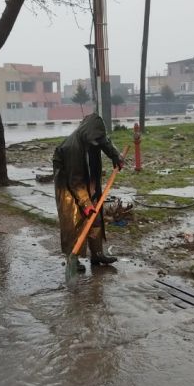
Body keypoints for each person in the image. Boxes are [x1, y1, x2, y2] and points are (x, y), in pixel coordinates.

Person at [53, 113, 124, 272]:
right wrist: (85, 203)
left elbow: (104, 142)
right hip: (67, 180)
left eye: (99, 139)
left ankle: (97, 254)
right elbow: (75, 181)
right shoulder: (72, 147)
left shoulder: (95, 137)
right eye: (96, 140)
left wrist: (115, 156)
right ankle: (73, 257)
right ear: (87, 134)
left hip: (88, 175)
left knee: (96, 215)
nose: (98, 142)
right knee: (73, 219)